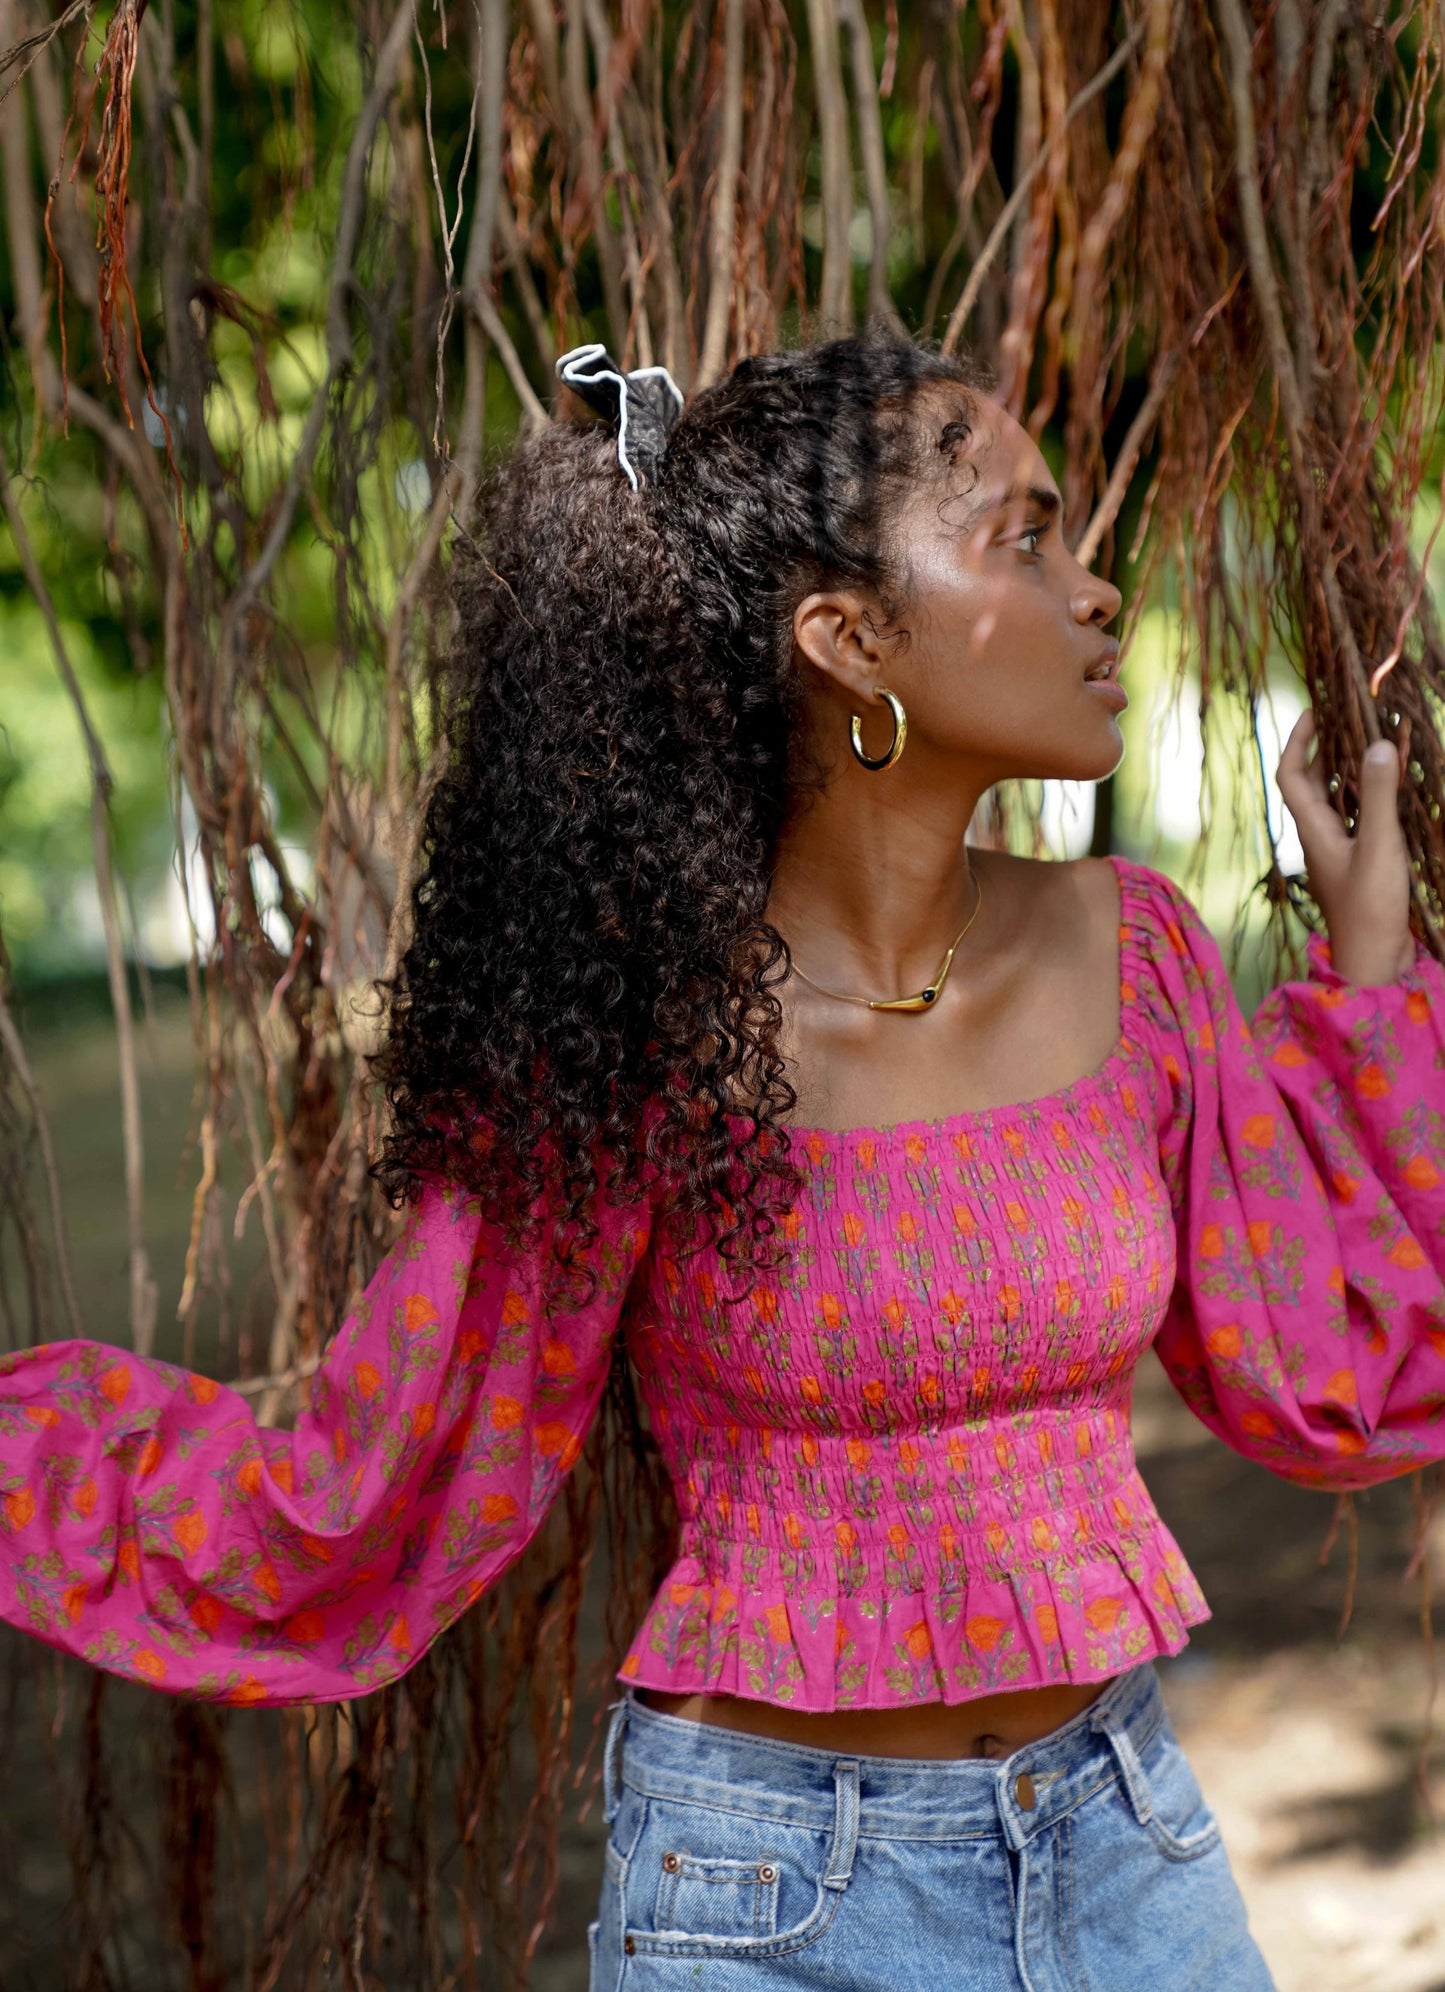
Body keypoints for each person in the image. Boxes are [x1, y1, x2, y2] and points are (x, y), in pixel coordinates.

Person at [2, 330, 1442, 1990]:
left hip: (1125, 1849)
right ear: (846, 640)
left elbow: (1325, 1363)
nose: (1096, 590)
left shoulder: (1138, 957)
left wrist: (1370, 975)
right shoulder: (642, 1039)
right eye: (1021, 538)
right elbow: (375, 1465)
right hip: (767, 1897)